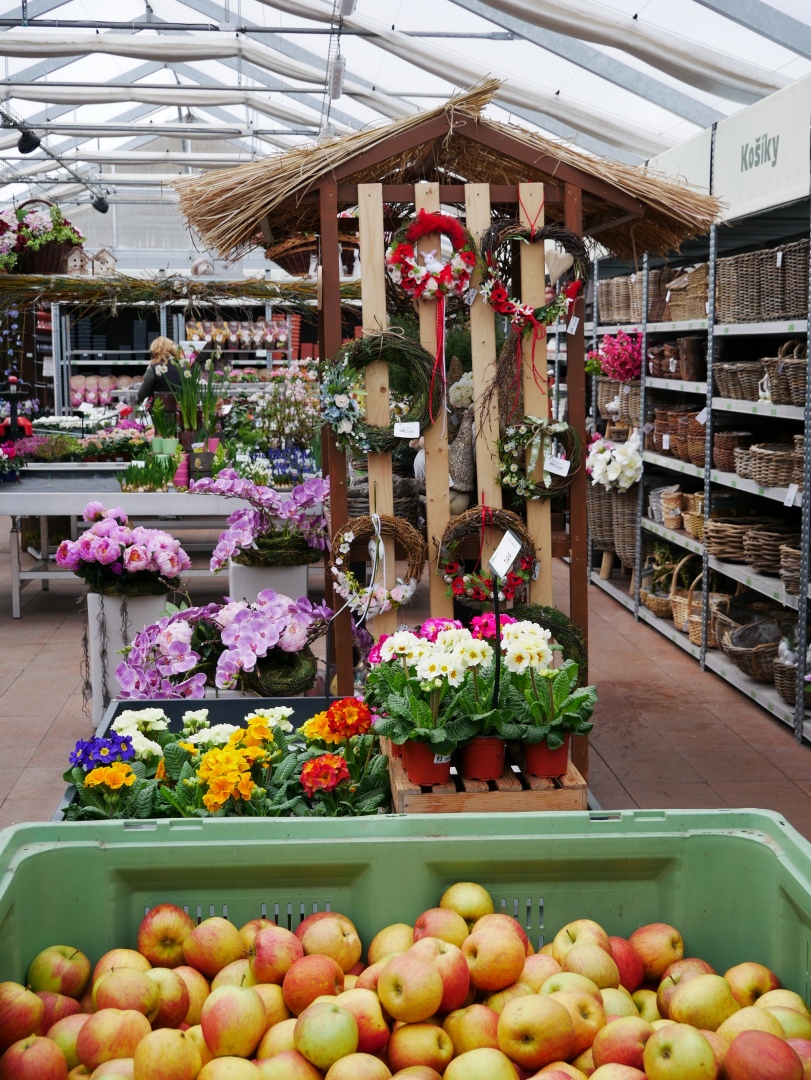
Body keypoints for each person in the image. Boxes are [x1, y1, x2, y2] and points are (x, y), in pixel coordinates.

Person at [136, 336, 183, 404]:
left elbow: (141, 397)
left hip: (159, 409)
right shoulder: (183, 368)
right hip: (181, 409)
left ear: (155, 352)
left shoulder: (153, 369)